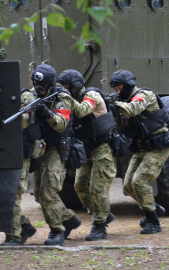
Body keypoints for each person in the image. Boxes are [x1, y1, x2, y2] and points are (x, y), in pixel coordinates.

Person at [109, 70, 169, 234]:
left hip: (158, 146)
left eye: (120, 89)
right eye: (116, 90)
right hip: (142, 147)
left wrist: (115, 104)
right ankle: (153, 209)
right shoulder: (123, 101)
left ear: (128, 85)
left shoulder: (144, 95)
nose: (118, 93)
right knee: (128, 185)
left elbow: (133, 110)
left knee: (139, 181)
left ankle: (153, 221)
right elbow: (119, 125)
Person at [58, 69, 117, 241]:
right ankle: (103, 214)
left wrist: (65, 98)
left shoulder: (91, 95)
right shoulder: (72, 98)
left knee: (98, 188)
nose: (66, 90)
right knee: (80, 186)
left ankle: (100, 226)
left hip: (102, 148)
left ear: (75, 86)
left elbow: (83, 111)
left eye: (67, 87)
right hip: (86, 148)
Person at [31, 64, 82, 246]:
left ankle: (57, 231)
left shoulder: (62, 98)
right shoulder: (33, 94)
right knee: (38, 193)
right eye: (36, 85)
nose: (39, 89)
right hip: (40, 146)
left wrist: (46, 113)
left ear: (51, 84)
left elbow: (61, 124)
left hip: (57, 148)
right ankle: (69, 220)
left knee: (48, 191)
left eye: (43, 85)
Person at [0, 89, 40, 246]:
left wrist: (6, 109)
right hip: (4, 154)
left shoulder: (25, 96)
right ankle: (23, 225)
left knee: (12, 195)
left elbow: (24, 120)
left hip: (20, 156)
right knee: (4, 195)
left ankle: (14, 236)